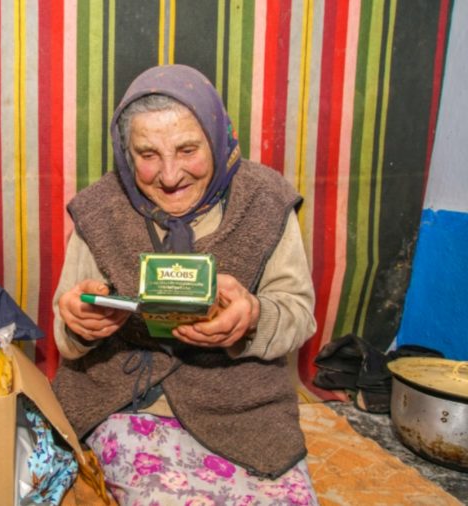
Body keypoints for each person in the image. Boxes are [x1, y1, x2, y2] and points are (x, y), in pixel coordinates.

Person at [52, 64, 318, 505]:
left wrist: (252, 316)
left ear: (216, 137)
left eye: (188, 149)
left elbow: (298, 315)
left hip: (245, 411)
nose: (170, 175)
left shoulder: (266, 201)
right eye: (147, 154)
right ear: (125, 153)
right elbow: (68, 334)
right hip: (130, 405)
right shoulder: (100, 210)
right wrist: (80, 325)